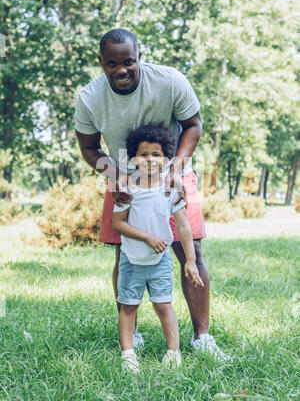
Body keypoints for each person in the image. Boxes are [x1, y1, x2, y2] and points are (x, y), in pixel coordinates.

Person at [75, 28, 232, 361]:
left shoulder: (170, 81)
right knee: (124, 254)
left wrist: (175, 169)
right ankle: (132, 335)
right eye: (112, 63)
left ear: (139, 57)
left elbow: (193, 124)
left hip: (173, 173)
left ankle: (202, 336)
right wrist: (113, 174)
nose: (121, 70)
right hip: (121, 177)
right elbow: (89, 148)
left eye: (129, 61)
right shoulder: (89, 97)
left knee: (191, 252)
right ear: (101, 62)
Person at [112, 123, 204, 372]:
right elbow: (117, 223)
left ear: (166, 159)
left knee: (164, 305)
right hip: (132, 260)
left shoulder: (170, 189)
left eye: (156, 154)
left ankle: (173, 353)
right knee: (128, 306)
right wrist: (146, 237)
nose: (150, 159)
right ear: (133, 158)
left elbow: (184, 227)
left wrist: (190, 261)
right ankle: (128, 355)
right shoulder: (126, 189)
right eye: (143, 154)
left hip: (160, 260)